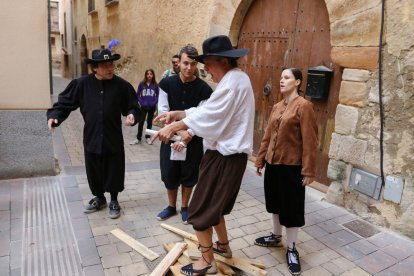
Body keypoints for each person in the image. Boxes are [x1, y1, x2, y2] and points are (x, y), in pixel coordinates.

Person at [151, 35, 254, 276]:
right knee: (213, 208)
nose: (204, 69)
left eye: (207, 63)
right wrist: (180, 113)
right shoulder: (235, 79)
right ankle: (224, 247)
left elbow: (211, 117)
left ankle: (207, 261)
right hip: (225, 157)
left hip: (225, 158)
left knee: (198, 211)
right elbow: (209, 109)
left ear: (223, 62)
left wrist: (175, 127)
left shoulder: (233, 82)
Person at [47, 48, 140, 219]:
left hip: (113, 137)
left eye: (111, 64)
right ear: (95, 68)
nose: (110, 68)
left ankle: (113, 200)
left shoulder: (122, 86)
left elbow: (133, 105)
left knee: (114, 169)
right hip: (92, 137)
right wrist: (55, 116)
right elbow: (65, 103)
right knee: (94, 170)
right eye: (105, 65)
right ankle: (99, 198)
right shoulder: (81, 85)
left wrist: (132, 114)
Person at [254, 68, 318, 275]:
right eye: (281, 78)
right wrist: (261, 158)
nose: (282, 81)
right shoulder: (277, 106)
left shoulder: (304, 106)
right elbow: (267, 134)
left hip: (292, 167)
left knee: (291, 209)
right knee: (274, 203)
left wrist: (308, 171)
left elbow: (310, 141)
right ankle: (275, 236)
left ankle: (291, 248)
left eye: (287, 77)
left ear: (298, 82)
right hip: (273, 164)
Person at [155, 45, 213, 224]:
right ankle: (171, 206)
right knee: (169, 174)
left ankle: (185, 207)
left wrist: (189, 134)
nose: (189, 68)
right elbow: (163, 112)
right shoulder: (166, 84)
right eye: (185, 63)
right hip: (169, 136)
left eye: (193, 64)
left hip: (194, 140)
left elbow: (202, 115)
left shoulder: (205, 89)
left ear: (197, 65)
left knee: (189, 175)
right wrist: (181, 132)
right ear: (178, 62)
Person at [130, 69, 159, 145]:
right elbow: (137, 94)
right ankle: (138, 138)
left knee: (149, 122)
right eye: (148, 74)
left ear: (153, 75)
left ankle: (147, 137)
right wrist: (141, 102)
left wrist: (154, 103)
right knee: (141, 122)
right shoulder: (142, 84)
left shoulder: (155, 85)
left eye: (151, 74)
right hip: (143, 107)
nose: (149, 75)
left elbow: (158, 96)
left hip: (151, 107)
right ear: (146, 75)